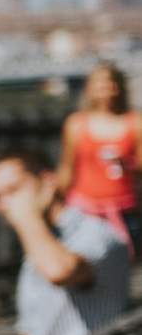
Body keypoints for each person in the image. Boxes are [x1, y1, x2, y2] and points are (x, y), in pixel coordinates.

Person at [0, 145, 133, 335]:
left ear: (47, 181)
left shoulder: (96, 233)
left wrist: (27, 217)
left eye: (13, 190)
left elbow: (61, 271)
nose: (4, 205)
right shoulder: (38, 247)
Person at [57, 62, 142, 252]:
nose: (107, 90)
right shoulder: (76, 124)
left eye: (111, 84)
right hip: (84, 210)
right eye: (100, 84)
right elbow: (67, 168)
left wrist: (127, 163)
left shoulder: (135, 122)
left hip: (125, 209)